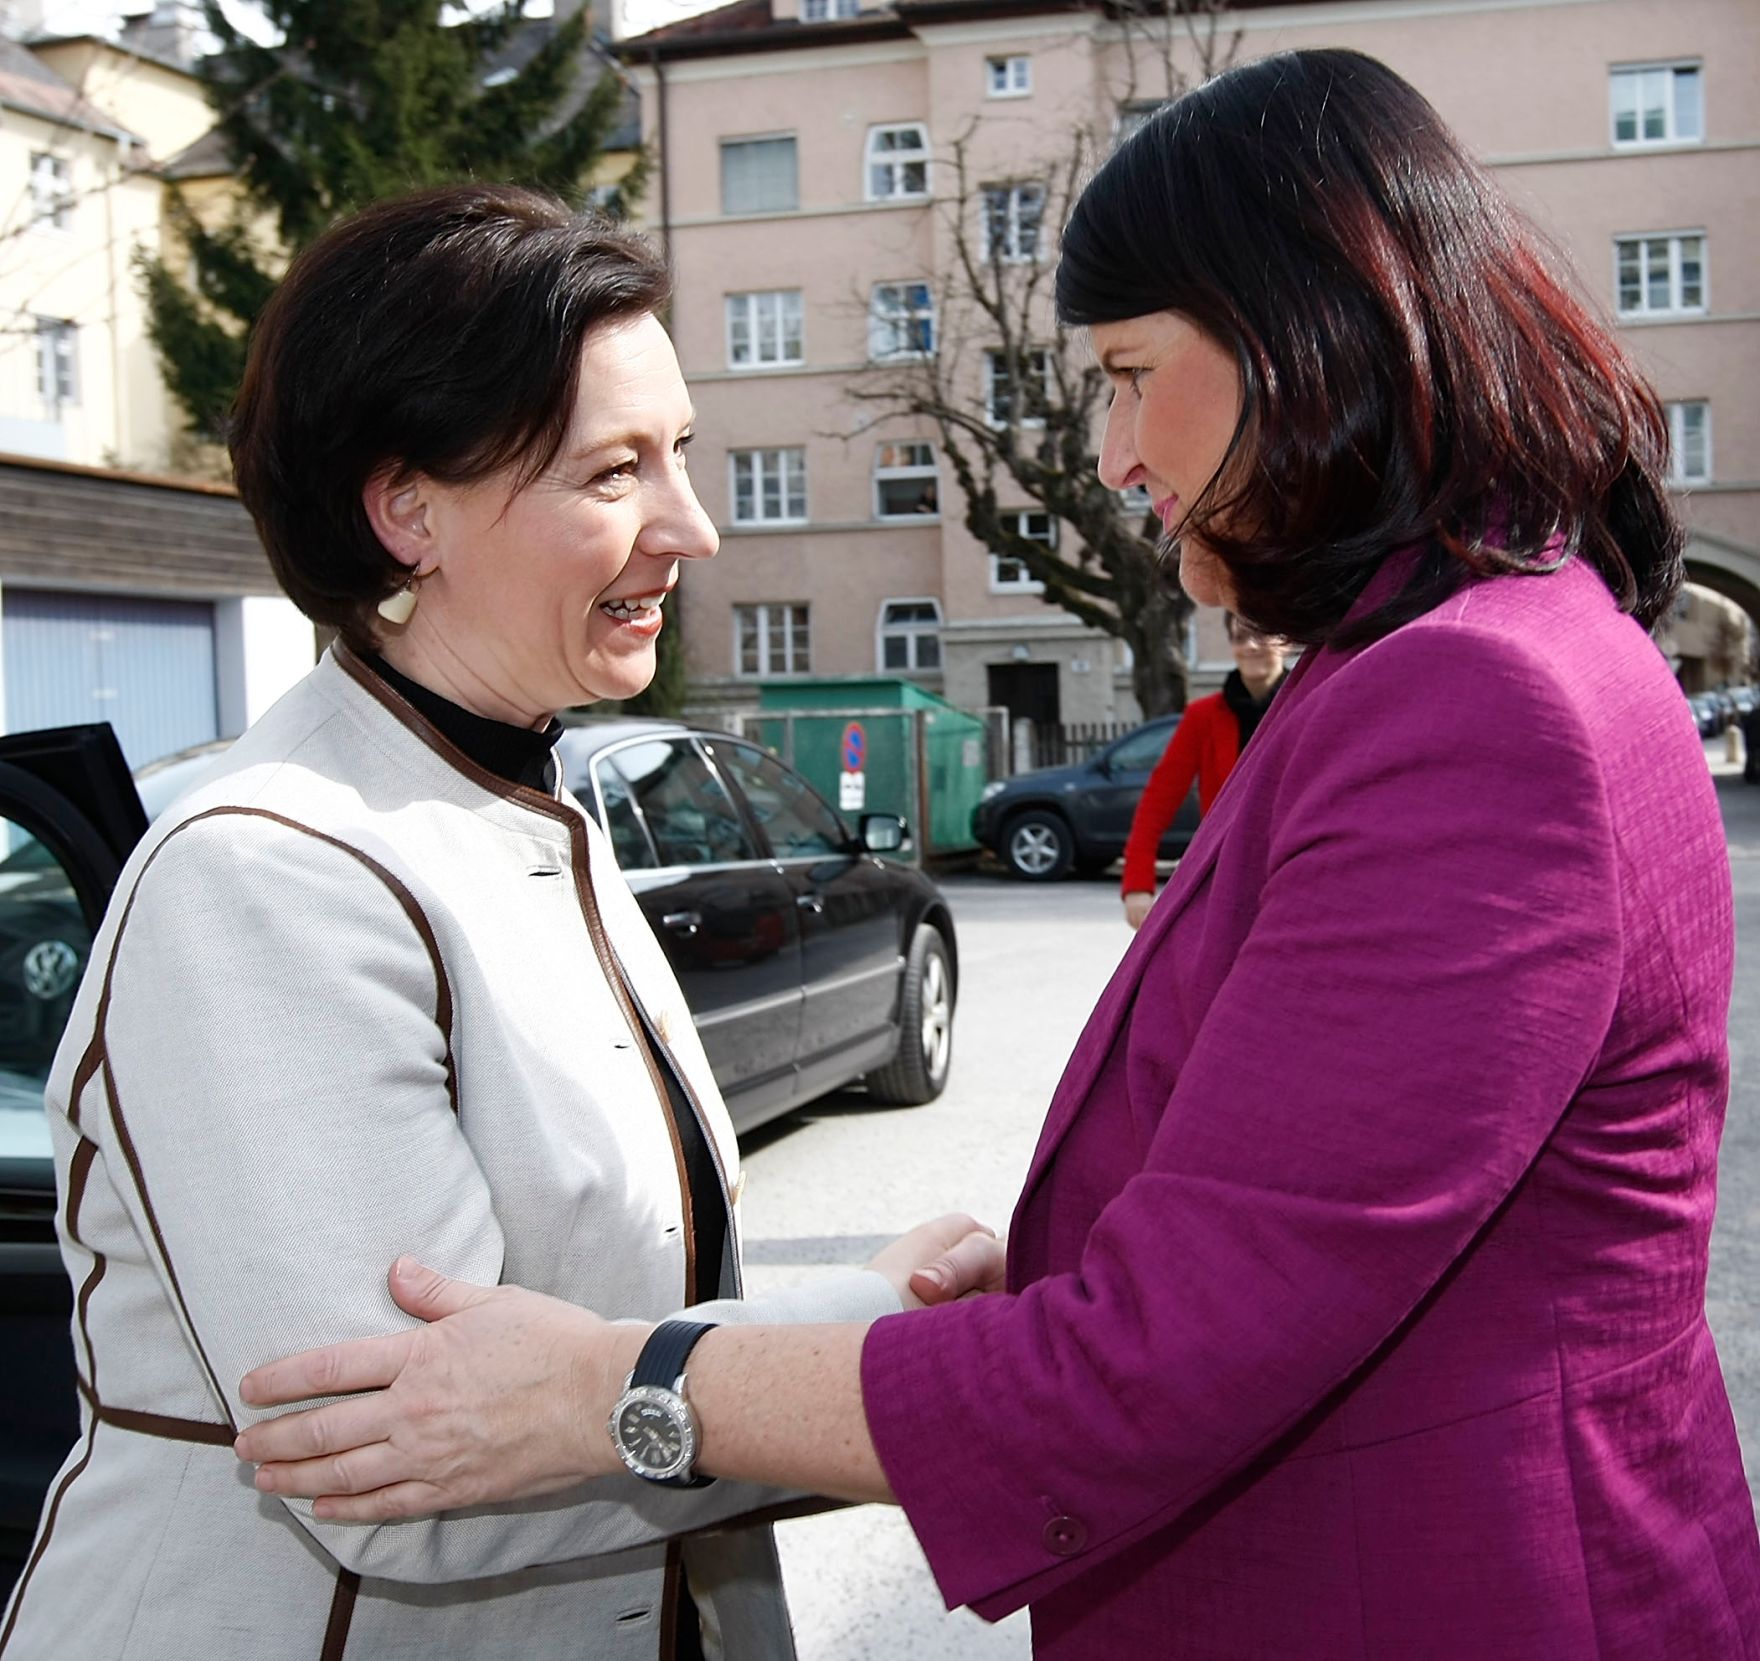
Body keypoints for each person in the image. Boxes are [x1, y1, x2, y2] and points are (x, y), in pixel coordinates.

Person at [233, 52, 1760, 1659]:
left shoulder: (1473, 699)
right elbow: (1314, 1203)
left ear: (1304, 340)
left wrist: (613, 1391)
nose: (1110, 450)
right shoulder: (1468, 658)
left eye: (1123, 369)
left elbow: (1159, 1362)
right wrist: (1041, 1268)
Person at [0, 184, 995, 1661]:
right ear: (407, 509)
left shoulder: (530, 809)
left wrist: (871, 1310)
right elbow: (413, 1467)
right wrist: (901, 1350)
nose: (694, 528)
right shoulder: (268, 873)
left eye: (686, 457)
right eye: (613, 473)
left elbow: (589, 1337)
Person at [1119, 615, 1287, 929]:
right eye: (1239, 637)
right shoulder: (1203, 716)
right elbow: (1159, 798)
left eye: (1261, 635)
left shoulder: (1312, 702)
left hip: (1293, 869)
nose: (1250, 646)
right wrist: (1138, 884)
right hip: (1226, 874)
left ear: (1285, 641)